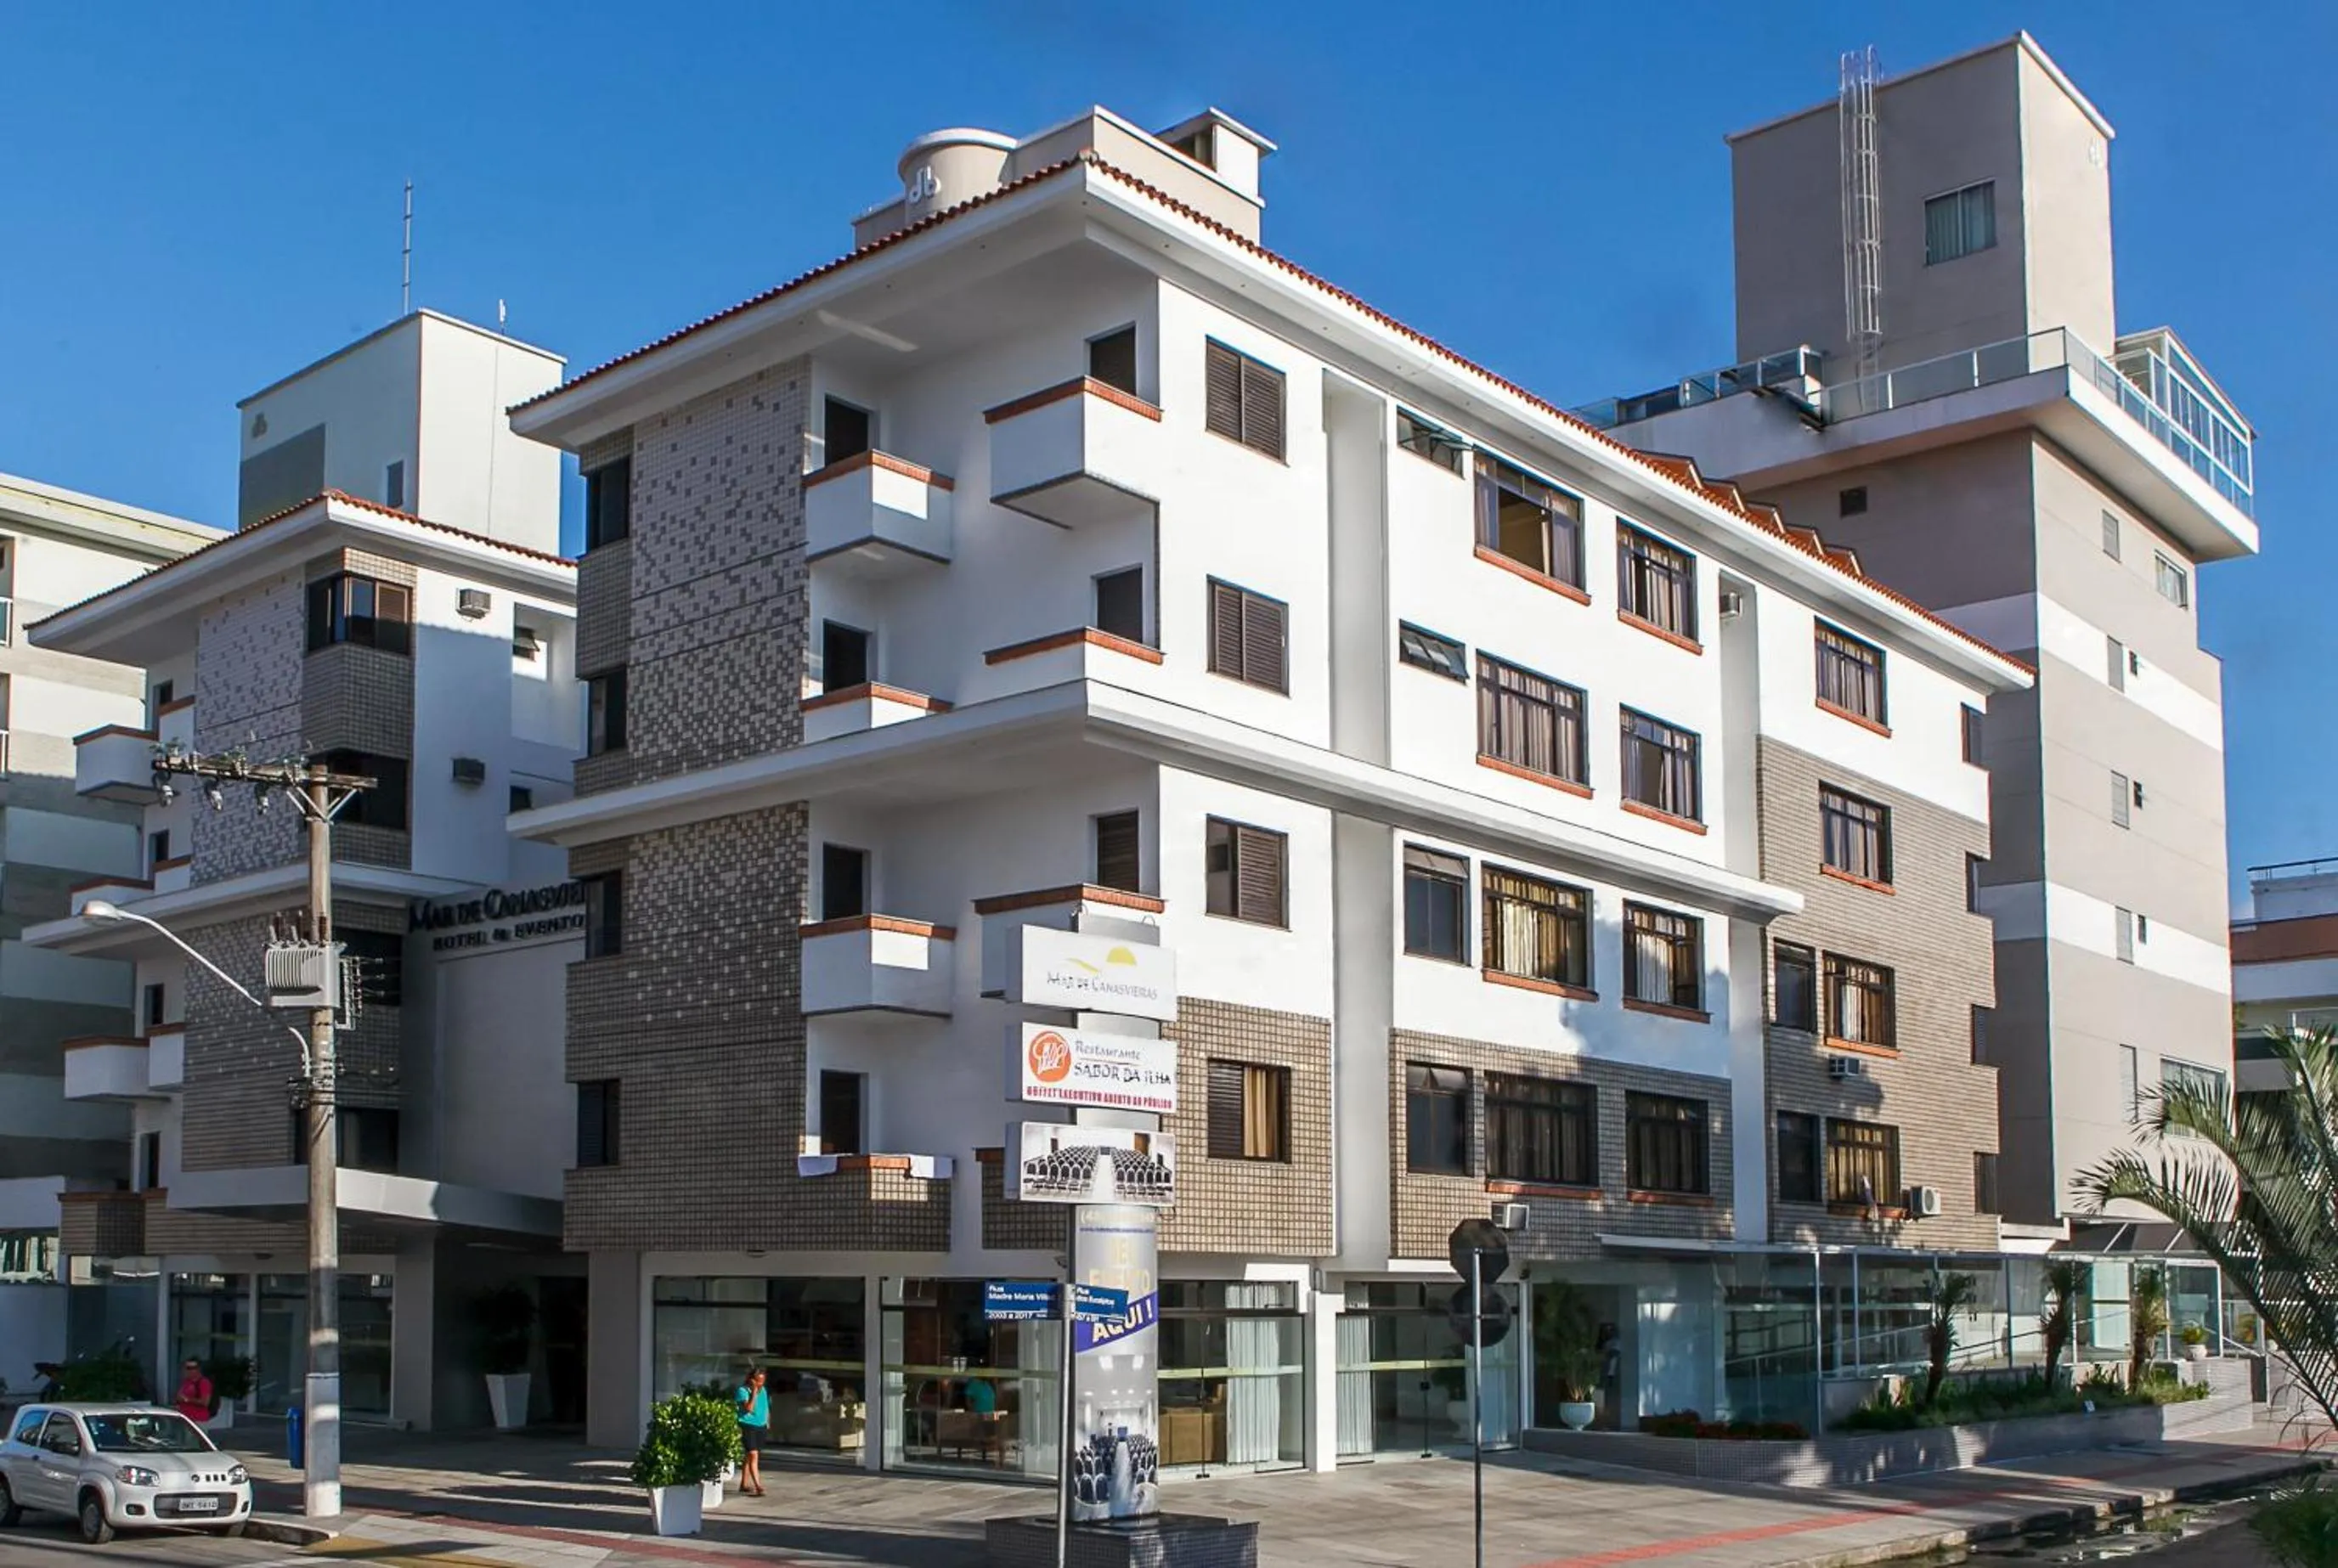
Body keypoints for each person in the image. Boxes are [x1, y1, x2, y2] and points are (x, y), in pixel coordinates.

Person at [734, 1367, 769, 1497]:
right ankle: (758, 1485)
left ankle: (744, 1484)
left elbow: (766, 1406)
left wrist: (767, 1421)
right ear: (751, 1380)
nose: (760, 1384)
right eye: (758, 1381)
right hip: (747, 1425)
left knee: (749, 1456)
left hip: (760, 1425)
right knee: (753, 1454)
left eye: (762, 1381)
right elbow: (749, 1408)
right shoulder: (742, 1391)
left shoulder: (763, 1390)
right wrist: (754, 1391)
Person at [173, 1359, 214, 1424]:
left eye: (191, 1368)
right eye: (187, 1368)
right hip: (185, 1419)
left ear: (198, 1369)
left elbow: (205, 1402)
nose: (188, 1371)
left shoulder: (203, 1382)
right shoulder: (186, 1382)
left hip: (198, 1420)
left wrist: (186, 1399)